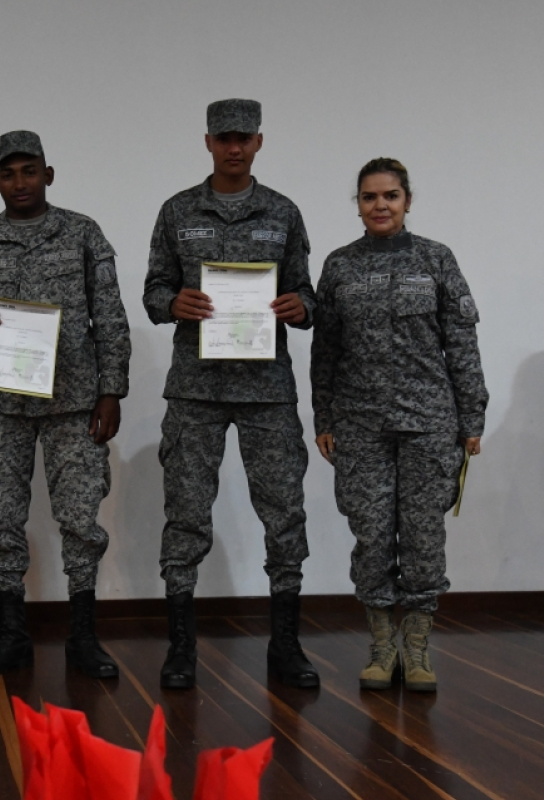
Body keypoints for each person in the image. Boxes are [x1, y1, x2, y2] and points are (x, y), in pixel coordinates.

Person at [142, 99, 318, 690]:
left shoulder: (283, 213)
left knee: (284, 513)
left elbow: (306, 294)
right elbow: (152, 290)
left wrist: (301, 308)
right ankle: (182, 647)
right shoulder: (177, 211)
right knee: (186, 514)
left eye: (243, 138)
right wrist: (172, 303)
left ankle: (286, 646)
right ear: (209, 142)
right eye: (224, 138)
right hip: (196, 388)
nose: (234, 147)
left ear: (259, 142)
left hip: (267, 389)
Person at [0, 131, 131, 679]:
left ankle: (82, 638)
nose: (20, 183)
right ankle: (13, 638)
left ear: (48, 175)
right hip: (5, 404)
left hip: (74, 403)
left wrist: (111, 391)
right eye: (8, 174)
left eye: (30, 171)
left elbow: (111, 315)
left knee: (80, 519)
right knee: (1, 520)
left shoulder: (81, 234)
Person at [310, 158, 487, 692]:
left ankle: (418, 651)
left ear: (408, 200)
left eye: (390, 195)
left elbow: (461, 343)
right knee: (370, 535)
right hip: (361, 425)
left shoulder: (436, 259)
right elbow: (327, 351)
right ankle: (382, 647)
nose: (380, 205)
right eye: (369, 197)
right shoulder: (340, 266)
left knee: (423, 538)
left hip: (429, 422)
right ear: (358, 205)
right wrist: (324, 415)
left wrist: (471, 416)